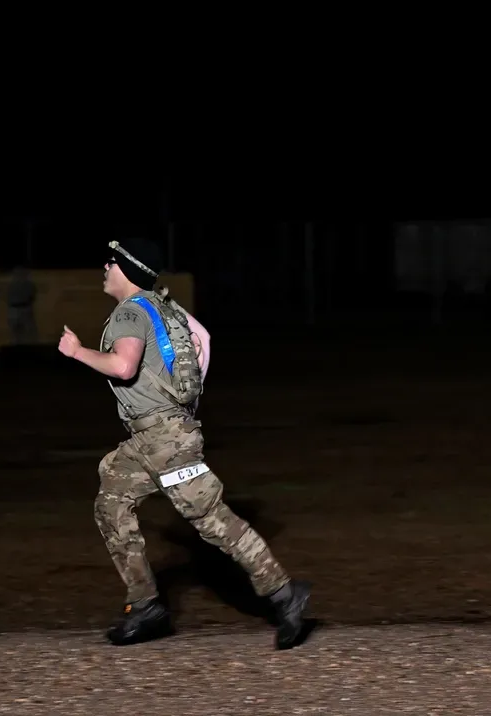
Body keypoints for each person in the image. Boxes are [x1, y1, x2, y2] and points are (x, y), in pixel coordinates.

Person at [57, 238, 311, 649]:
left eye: (111, 262)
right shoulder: (163, 307)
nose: (105, 267)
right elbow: (201, 346)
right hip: (158, 437)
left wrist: (77, 352)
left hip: (163, 439)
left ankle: (283, 594)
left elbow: (122, 366)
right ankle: (146, 607)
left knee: (211, 520)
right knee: (111, 502)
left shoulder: (128, 313)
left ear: (125, 269)